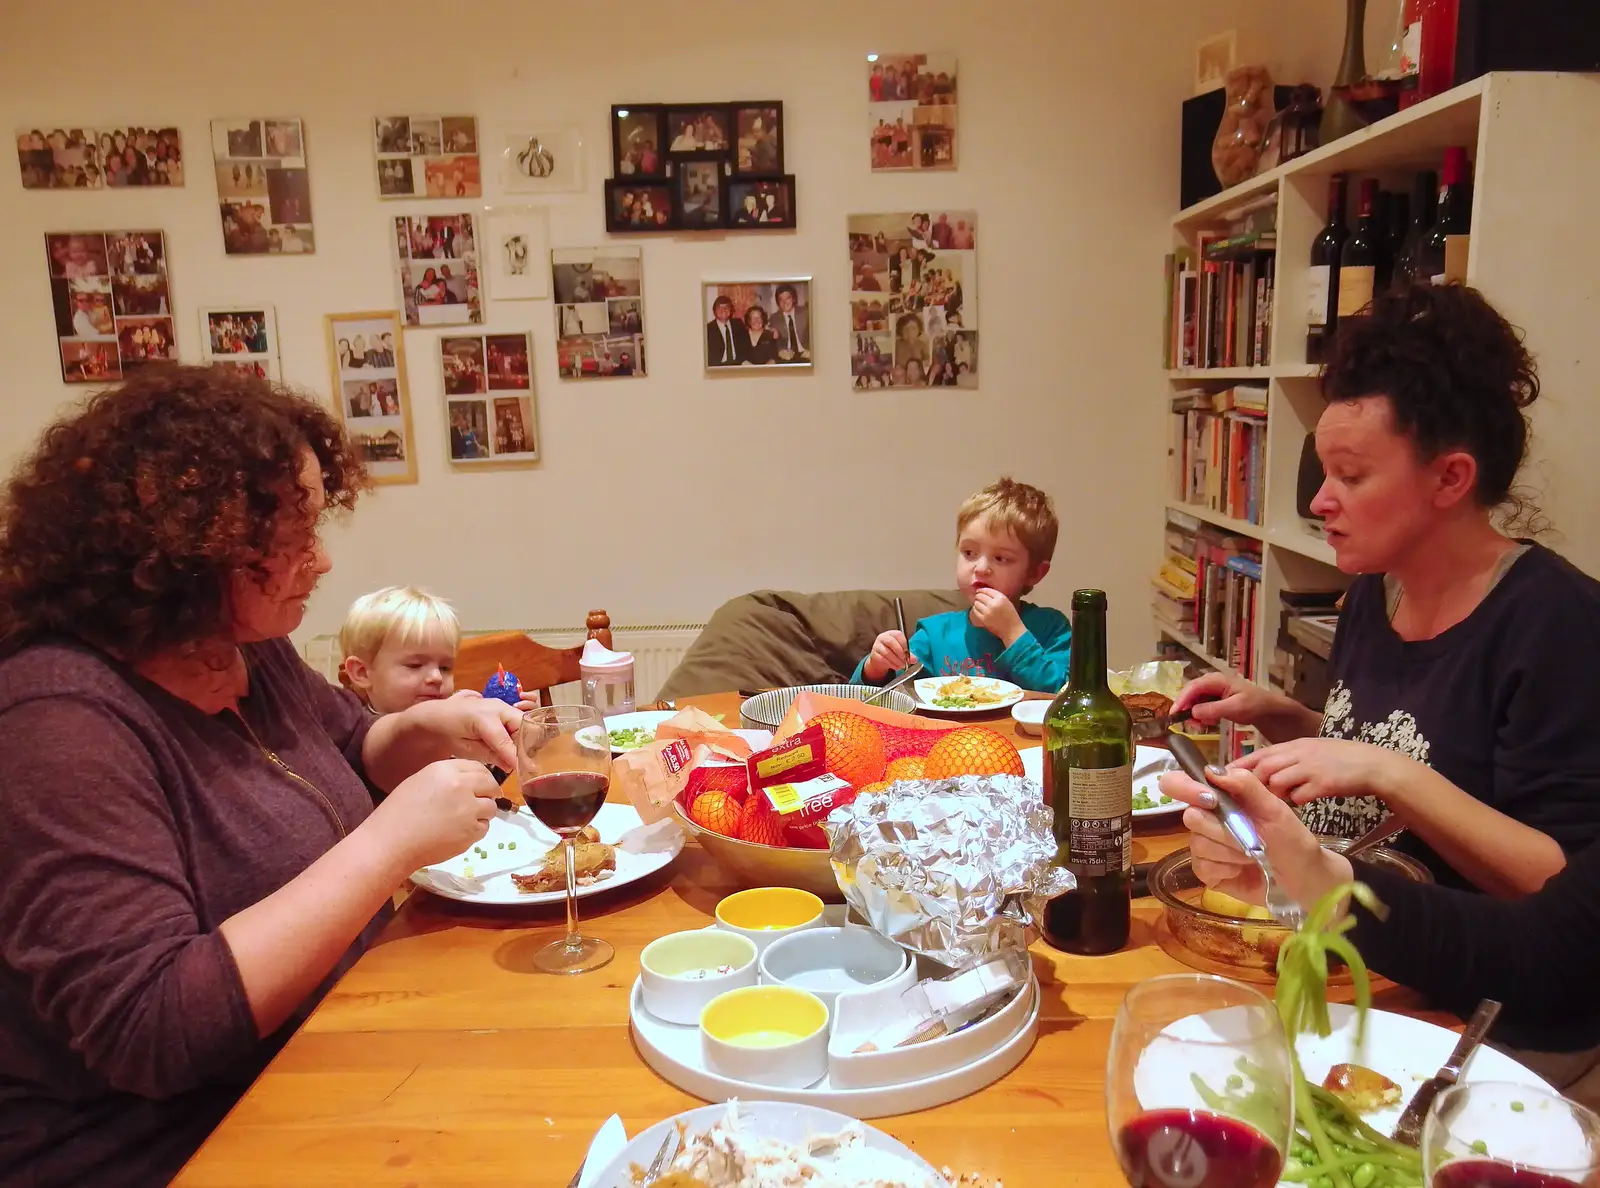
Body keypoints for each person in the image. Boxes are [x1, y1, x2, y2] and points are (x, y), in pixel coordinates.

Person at [0, 367, 521, 1186]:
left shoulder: (242, 643)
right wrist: (387, 845)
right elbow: (150, 1026)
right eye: (295, 532)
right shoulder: (55, 723)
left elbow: (352, 747)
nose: (319, 560)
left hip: (323, 1061)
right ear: (189, 546)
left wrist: (425, 727)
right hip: (171, 1150)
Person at [1170, 284, 1600, 897]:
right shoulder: (1375, 590)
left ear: (1450, 477)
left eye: (1351, 476)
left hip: (1453, 979)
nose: (1320, 502)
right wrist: (1283, 717)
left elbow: (1567, 887)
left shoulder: (1558, 624)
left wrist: (1390, 774)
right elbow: (1391, 744)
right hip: (1339, 928)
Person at [1160, 764, 1600, 1106]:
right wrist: (1324, 883)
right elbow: (1545, 947)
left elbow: (1553, 955)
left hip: (1505, 1037)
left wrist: (1390, 773)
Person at [853, 478, 1073, 690]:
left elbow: (1062, 697)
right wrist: (876, 667)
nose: (980, 568)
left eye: (1001, 558)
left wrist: (1013, 633)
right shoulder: (935, 634)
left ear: (1035, 572)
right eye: (969, 552)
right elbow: (886, 697)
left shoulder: (1051, 628)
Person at [339, 587, 460, 713]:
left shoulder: (459, 727)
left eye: (445, 668)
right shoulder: (344, 730)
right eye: (415, 665)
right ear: (362, 673)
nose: (437, 678)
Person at [773, 284, 809, 362]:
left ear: (794, 299)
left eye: (787, 298)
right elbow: (776, 340)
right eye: (781, 300)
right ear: (778, 303)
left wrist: (812, 350)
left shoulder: (806, 313)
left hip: (807, 354)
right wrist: (781, 351)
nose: (784, 302)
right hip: (787, 357)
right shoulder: (774, 318)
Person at [706, 294, 739, 366]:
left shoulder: (738, 324)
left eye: (726, 307)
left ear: (731, 310)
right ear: (714, 311)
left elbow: (745, 346)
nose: (723, 310)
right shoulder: (708, 329)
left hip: (737, 365)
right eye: (719, 308)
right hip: (718, 366)